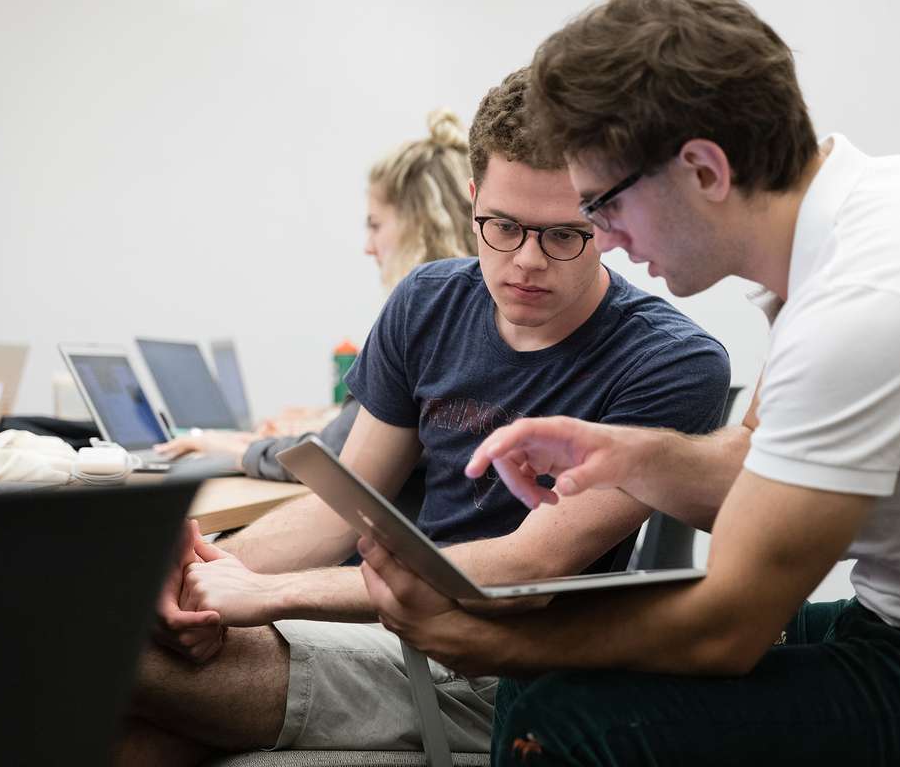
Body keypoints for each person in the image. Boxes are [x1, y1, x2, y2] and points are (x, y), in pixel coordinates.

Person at [358, 0, 900, 766]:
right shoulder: (861, 220)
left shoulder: (871, 297)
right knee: (555, 671)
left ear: (703, 170)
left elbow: (728, 628)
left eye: (605, 206)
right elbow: (760, 464)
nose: (608, 240)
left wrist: (487, 640)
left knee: (563, 716)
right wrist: (627, 455)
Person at [117, 67, 731, 766]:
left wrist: (267, 593)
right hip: (394, 630)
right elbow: (342, 507)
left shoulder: (671, 362)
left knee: (98, 659)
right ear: (473, 201)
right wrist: (195, 581)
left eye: (566, 234)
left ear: (609, 220)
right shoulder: (428, 302)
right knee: (121, 686)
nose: (527, 261)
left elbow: (525, 565)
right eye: (503, 227)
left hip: (510, 669)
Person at [154, 109, 479, 481]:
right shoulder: (468, 318)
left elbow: (334, 457)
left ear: (420, 225)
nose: (368, 246)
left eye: (375, 225)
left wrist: (234, 451)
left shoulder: (429, 325)